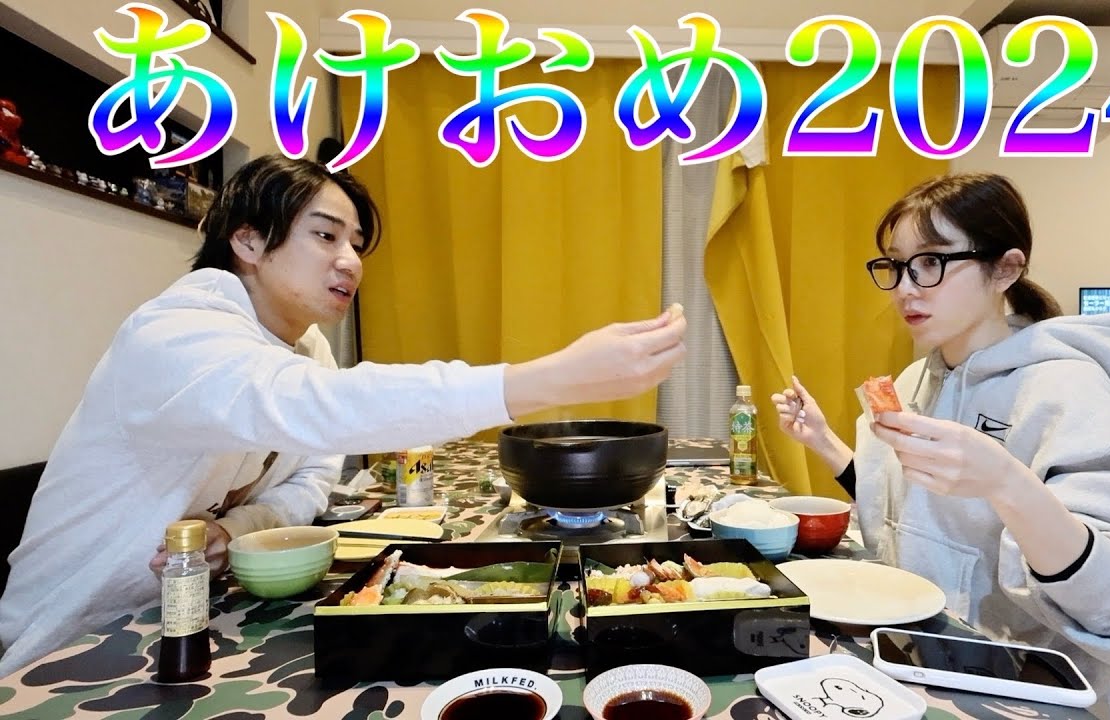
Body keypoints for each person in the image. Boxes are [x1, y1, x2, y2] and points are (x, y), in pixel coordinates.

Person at [0, 154, 687, 677]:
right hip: (68, 646)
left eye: (356, 243)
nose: (350, 261)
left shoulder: (305, 344)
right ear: (248, 241)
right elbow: (321, 406)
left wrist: (236, 528)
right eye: (326, 236)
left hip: (184, 624)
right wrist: (550, 378)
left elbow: (315, 475)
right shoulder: (176, 333)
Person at [771, 172, 1110, 720]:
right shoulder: (916, 380)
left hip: (1032, 696)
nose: (906, 287)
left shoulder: (1065, 389)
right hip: (922, 669)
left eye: (931, 261)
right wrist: (823, 441)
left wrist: (1008, 483)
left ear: (1005, 268)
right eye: (897, 265)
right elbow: (901, 515)